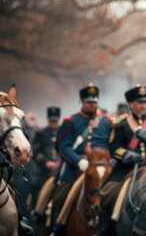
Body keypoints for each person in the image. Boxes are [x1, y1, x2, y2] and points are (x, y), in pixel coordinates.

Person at [99, 84, 146, 235]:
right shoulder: (120, 123)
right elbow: (114, 147)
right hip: (128, 170)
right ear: (131, 104)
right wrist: (127, 155)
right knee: (106, 194)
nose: (143, 105)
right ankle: (106, 229)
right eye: (139, 102)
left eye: (145, 102)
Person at [50, 83, 112, 235]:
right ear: (82, 102)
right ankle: (57, 229)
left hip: (101, 168)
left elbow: (112, 147)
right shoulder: (71, 121)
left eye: (94, 102)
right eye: (89, 102)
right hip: (75, 167)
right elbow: (63, 147)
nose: (92, 105)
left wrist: (109, 164)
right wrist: (79, 161)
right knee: (60, 197)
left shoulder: (107, 122)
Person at [30, 106, 61, 216]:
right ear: (48, 119)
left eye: (55, 120)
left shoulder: (64, 132)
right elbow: (35, 151)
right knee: (35, 186)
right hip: (43, 171)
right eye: (51, 120)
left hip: (61, 170)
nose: (53, 122)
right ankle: (35, 213)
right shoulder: (40, 133)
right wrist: (46, 163)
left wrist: (60, 163)